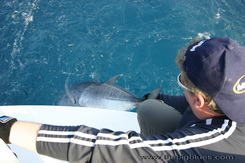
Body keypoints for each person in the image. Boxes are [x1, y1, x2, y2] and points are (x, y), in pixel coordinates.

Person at [1, 37, 245, 163]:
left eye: (182, 82)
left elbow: (118, 150)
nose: (180, 86)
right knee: (150, 108)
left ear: (200, 101)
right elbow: (191, 108)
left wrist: (8, 127)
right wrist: (157, 98)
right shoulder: (231, 97)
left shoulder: (211, 145)